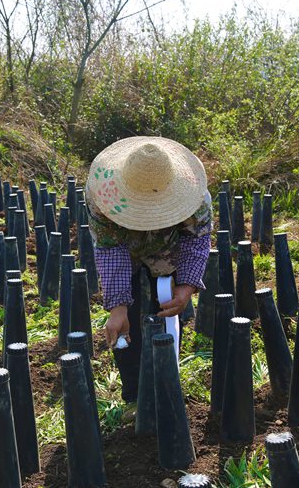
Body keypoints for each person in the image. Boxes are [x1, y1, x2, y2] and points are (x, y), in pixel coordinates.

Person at [85, 136, 212, 403]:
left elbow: (196, 239)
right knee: (124, 323)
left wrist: (186, 287)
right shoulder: (101, 195)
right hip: (124, 245)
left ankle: (168, 388)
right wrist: (117, 307)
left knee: (166, 310)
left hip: (168, 245)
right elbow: (109, 249)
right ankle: (134, 396)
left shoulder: (194, 194)